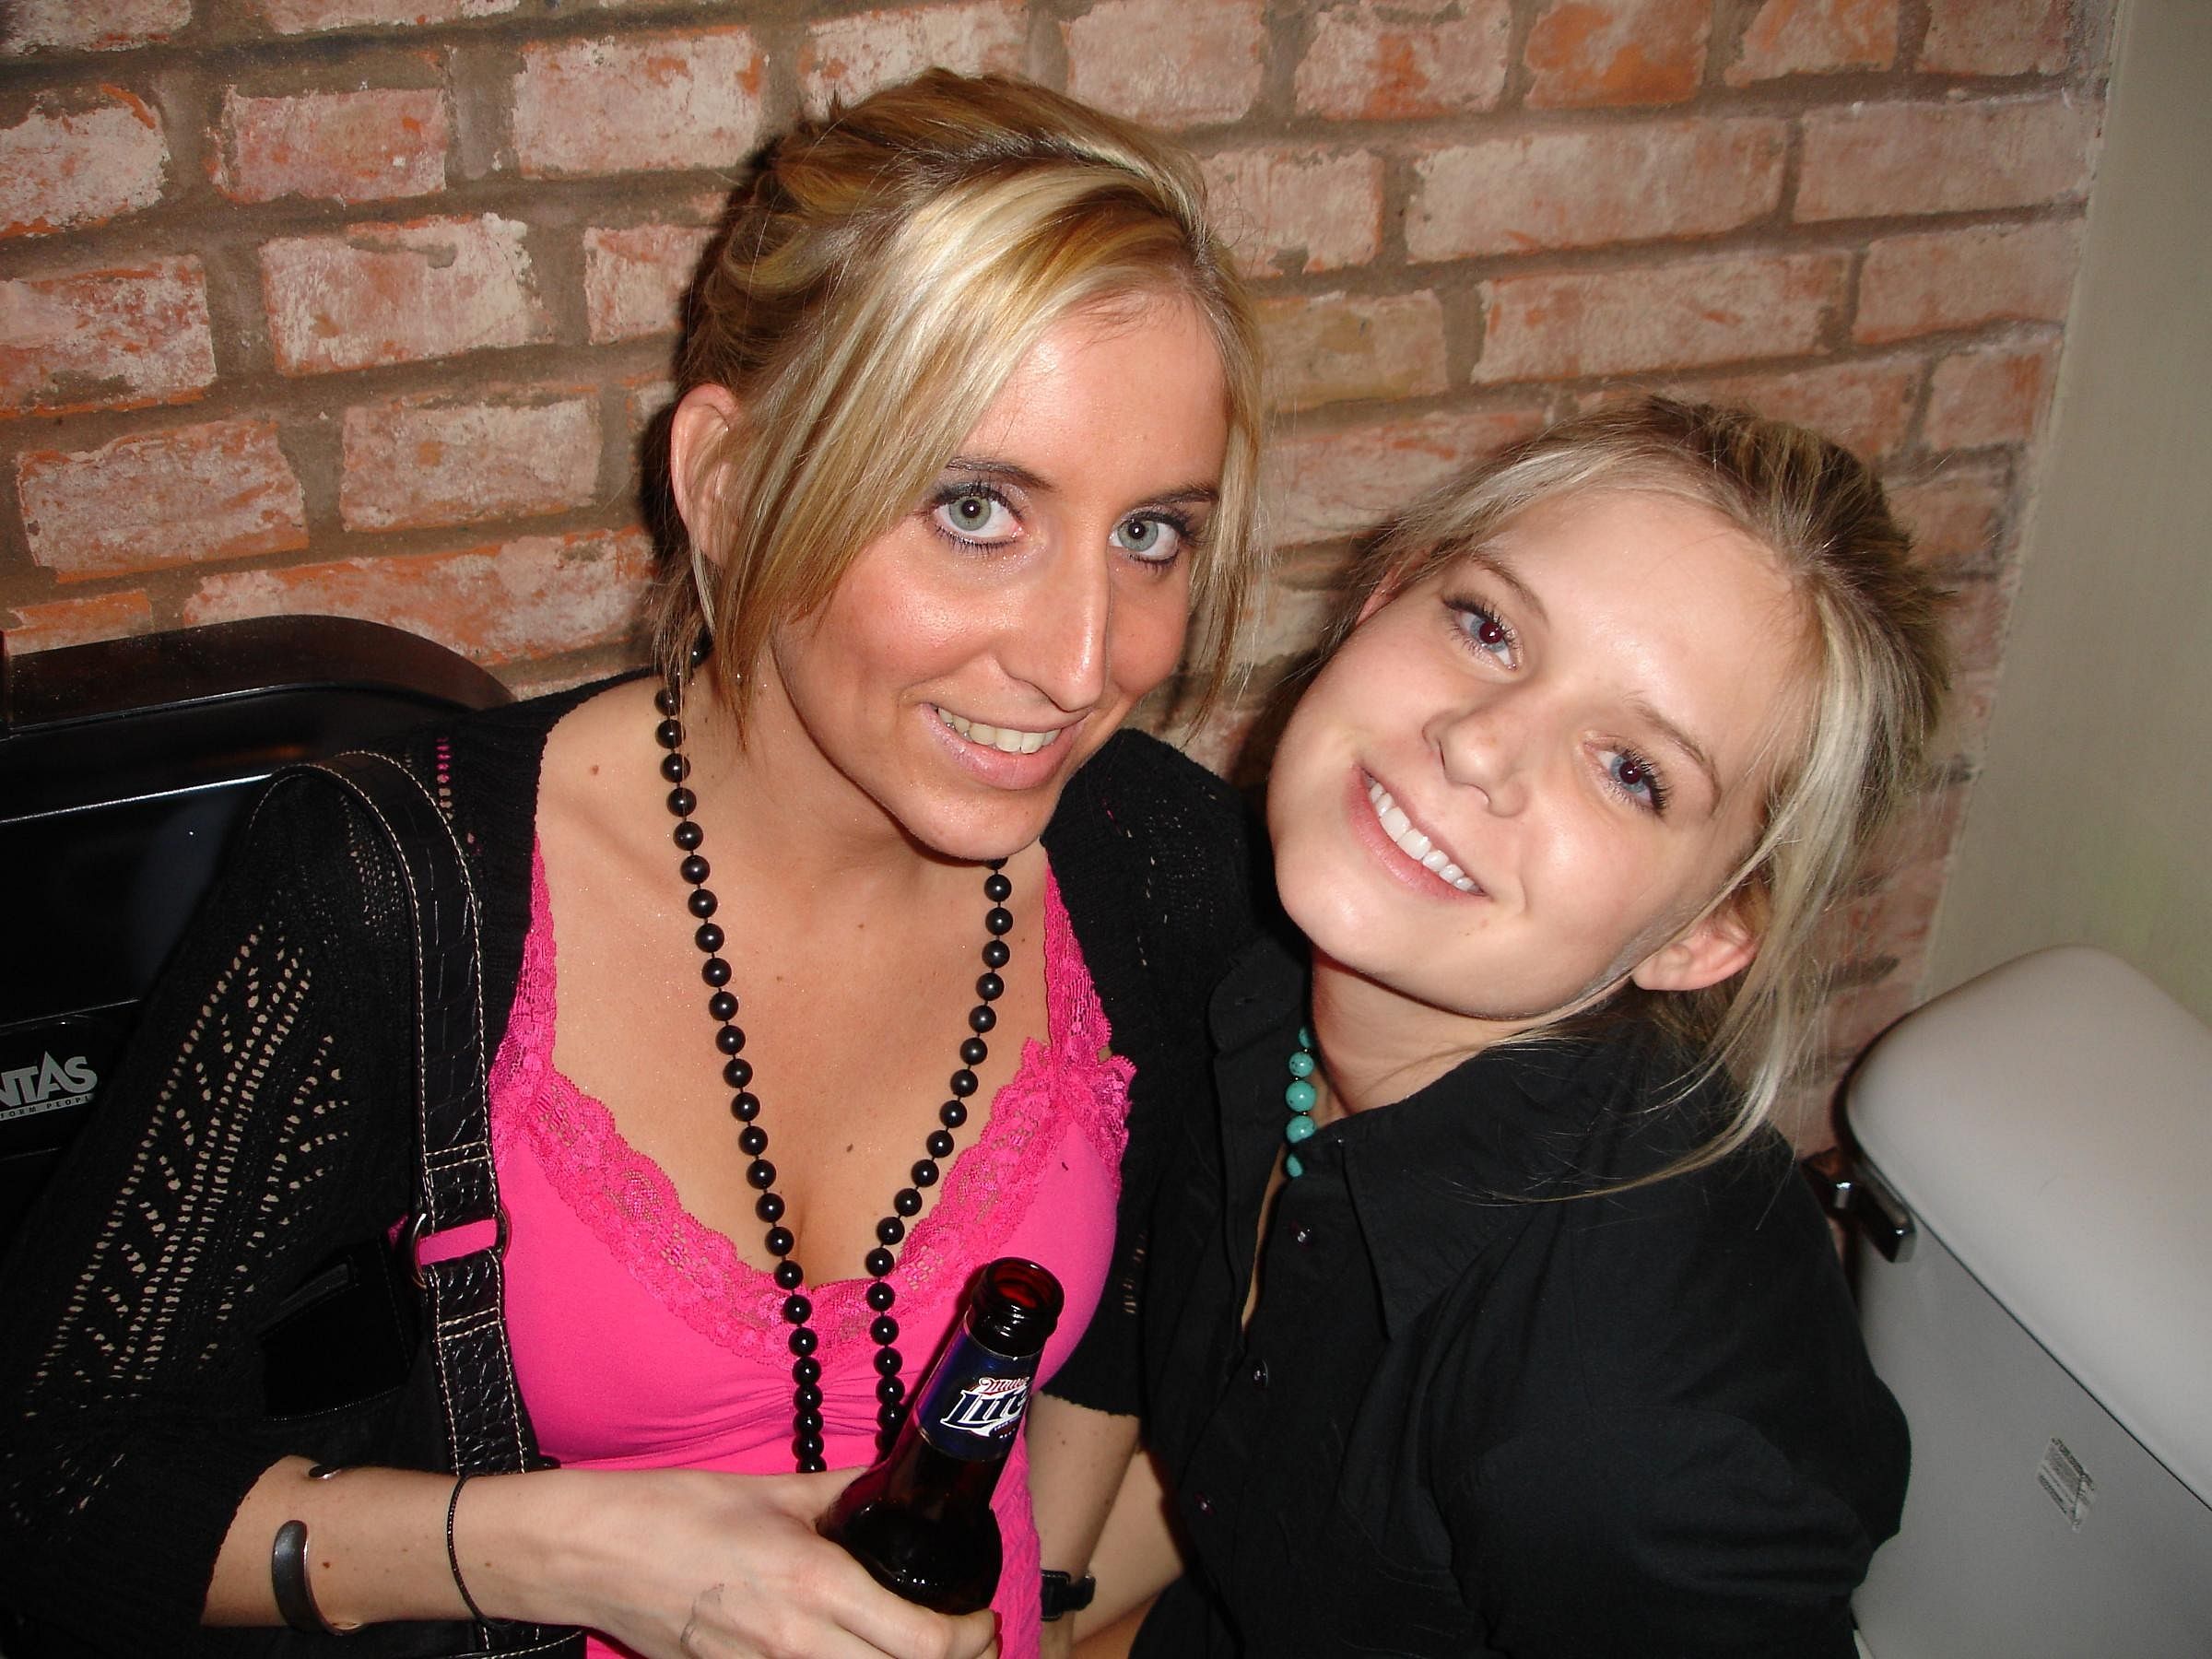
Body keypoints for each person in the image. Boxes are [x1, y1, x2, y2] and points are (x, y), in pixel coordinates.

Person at [0, 72, 1266, 1659]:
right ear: (728, 488)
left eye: (1151, 535)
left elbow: (1138, 1297)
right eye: (975, 509)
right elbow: (45, 1487)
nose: (1086, 662)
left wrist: (1049, 1601)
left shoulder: (1149, 854)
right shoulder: (400, 894)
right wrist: (580, 1557)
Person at [1076, 397, 1947, 1656]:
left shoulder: (1629, 1433)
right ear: (1382, 600)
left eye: (1632, 771)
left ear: (1703, 934)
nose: (1480, 745)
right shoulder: (1255, 986)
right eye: (1487, 627)